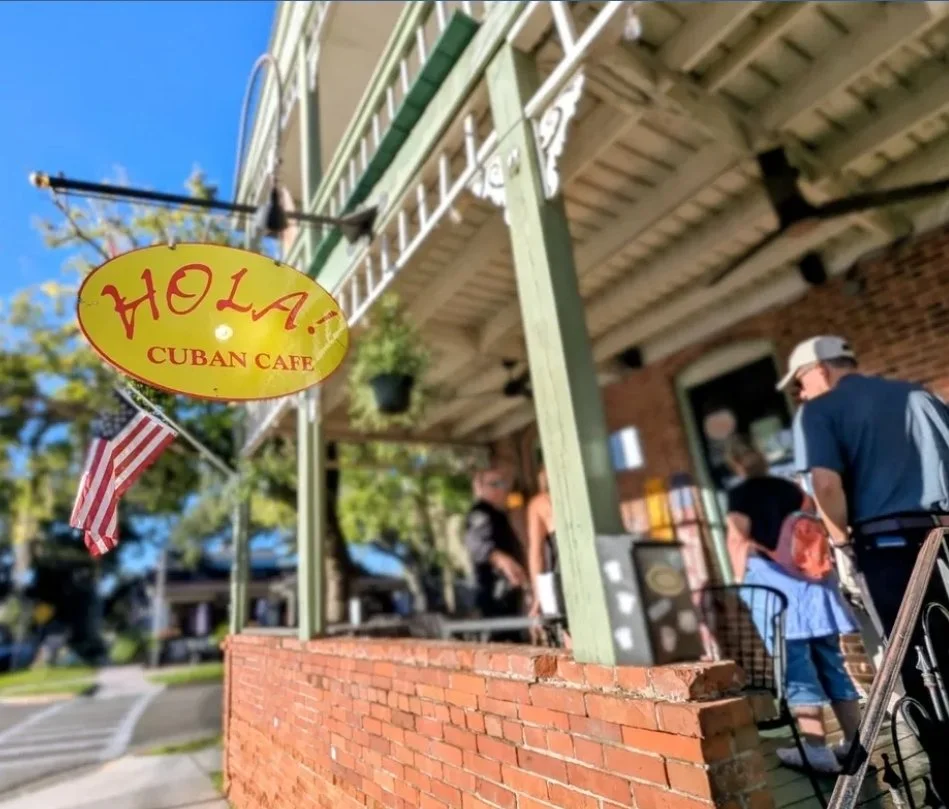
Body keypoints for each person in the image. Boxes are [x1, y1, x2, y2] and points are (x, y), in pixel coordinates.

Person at [783, 335, 949, 792]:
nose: (800, 394)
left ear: (820, 369)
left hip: (887, 551)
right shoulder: (916, 394)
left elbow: (826, 486)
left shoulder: (820, 411)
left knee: (919, 669)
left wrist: (841, 542)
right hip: (941, 540)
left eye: (800, 382)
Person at [724, 435, 862, 774]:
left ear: (736, 465)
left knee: (797, 673)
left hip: (776, 593)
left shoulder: (741, 495)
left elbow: (737, 538)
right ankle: (856, 743)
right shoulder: (791, 490)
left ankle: (817, 749)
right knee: (834, 665)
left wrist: (740, 582)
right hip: (815, 590)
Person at [463, 465, 529, 631]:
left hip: (505, 592)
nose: (501, 489)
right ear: (479, 488)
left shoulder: (498, 514)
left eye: (502, 484)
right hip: (493, 593)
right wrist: (503, 561)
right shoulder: (481, 513)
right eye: (494, 484)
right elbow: (476, 544)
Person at [526, 465, 571, 648]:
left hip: (565, 576)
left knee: (572, 638)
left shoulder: (540, 503)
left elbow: (536, 554)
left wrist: (538, 597)